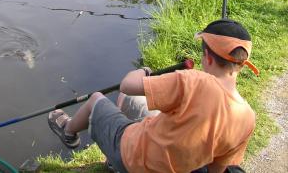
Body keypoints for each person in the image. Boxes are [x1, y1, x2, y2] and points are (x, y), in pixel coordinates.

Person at [47, 19, 257, 173]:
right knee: (127, 102)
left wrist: (144, 72)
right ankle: (112, 160)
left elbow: (127, 85)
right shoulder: (247, 118)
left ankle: (68, 132)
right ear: (241, 65)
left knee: (96, 100)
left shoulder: (193, 81)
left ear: (207, 58)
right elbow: (218, 169)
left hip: (136, 159)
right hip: (183, 167)